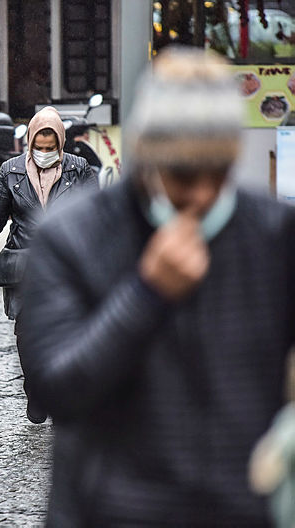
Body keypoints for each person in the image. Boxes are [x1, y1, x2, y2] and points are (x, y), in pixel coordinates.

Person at [19, 47, 295, 526]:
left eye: (218, 172)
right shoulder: (74, 237)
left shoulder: (272, 233)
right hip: (113, 511)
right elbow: (55, 388)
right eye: (184, 174)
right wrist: (146, 294)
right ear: (148, 157)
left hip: (240, 509)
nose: (203, 194)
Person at [0, 105, 98, 424]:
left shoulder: (78, 170)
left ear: (61, 145)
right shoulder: (11, 171)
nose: (44, 153)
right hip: (23, 264)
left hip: (66, 265)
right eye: (39, 147)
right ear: (30, 144)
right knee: (26, 333)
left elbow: (99, 216)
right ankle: (35, 388)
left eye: (51, 148)